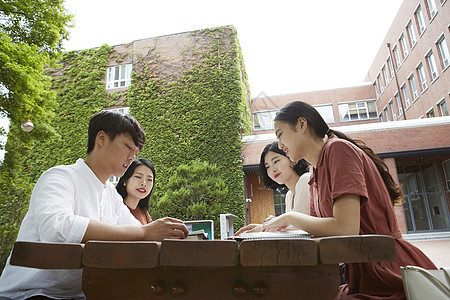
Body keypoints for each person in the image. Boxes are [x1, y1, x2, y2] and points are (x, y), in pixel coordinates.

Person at [243, 101, 437, 299]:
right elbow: (320, 230)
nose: (280, 145)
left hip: (388, 272)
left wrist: (290, 217)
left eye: (280, 134)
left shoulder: (338, 150)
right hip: (360, 275)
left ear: (302, 124)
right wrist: (266, 230)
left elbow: (346, 229)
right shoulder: (315, 172)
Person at [0, 110, 188, 300]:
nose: (132, 157)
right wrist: (144, 233)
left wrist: (162, 232)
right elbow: (56, 229)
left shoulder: (111, 196)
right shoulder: (60, 177)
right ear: (102, 139)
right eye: (128, 147)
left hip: (81, 294)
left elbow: (138, 233)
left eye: (136, 152)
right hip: (28, 293)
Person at [237, 141, 311, 233]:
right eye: (267, 167)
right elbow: (292, 229)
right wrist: (264, 226)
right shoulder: (289, 195)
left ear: (292, 159)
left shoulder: (306, 180)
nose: (272, 170)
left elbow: (303, 230)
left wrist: (264, 228)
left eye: (276, 161)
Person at [116, 158, 155, 225]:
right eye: (138, 177)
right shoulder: (115, 208)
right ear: (125, 180)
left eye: (149, 179)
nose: (144, 183)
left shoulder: (143, 211)